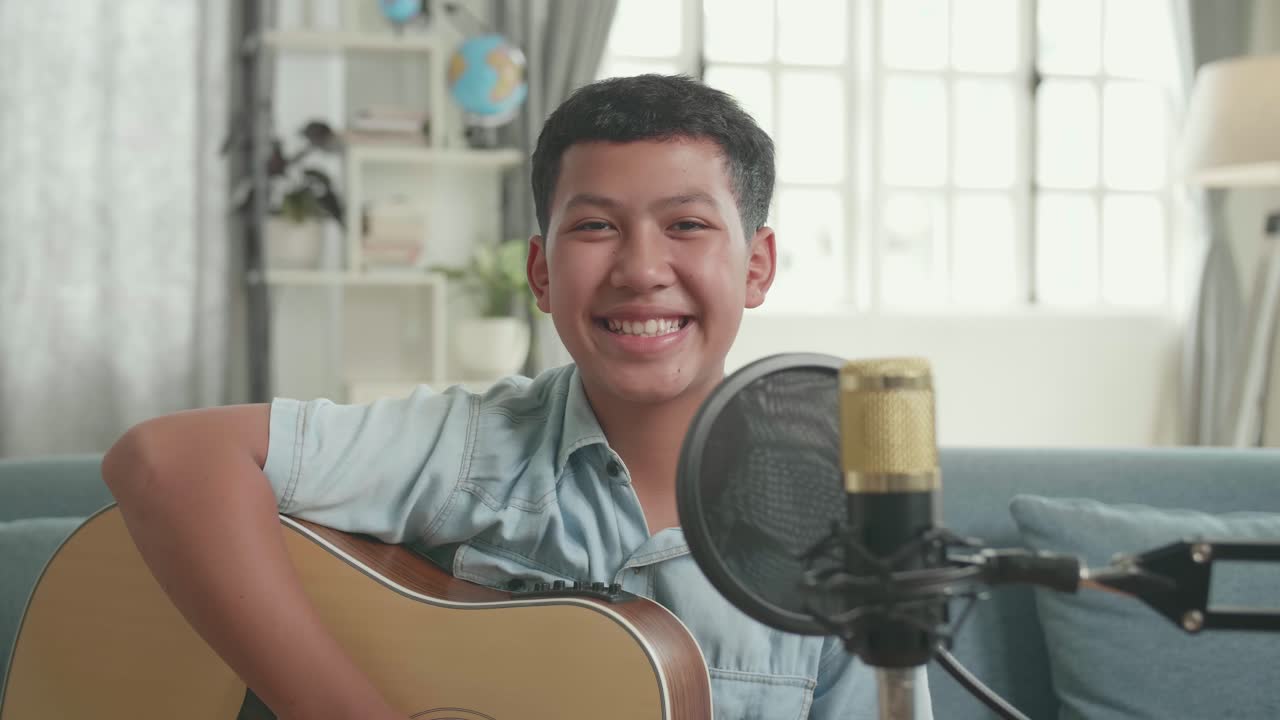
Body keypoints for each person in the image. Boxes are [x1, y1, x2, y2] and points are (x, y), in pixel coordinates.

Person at [104, 74, 934, 720]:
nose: (641, 270)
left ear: (757, 266)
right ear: (541, 272)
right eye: (595, 226)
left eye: (686, 225)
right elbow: (163, 458)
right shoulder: (467, 446)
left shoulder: (845, 544)